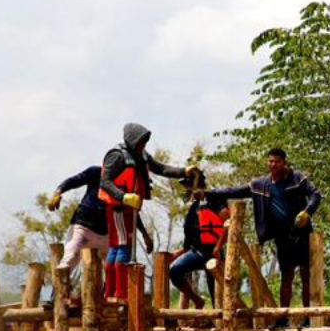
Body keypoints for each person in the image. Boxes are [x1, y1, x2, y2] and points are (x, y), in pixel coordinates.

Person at [207, 148, 322, 330]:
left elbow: (316, 194)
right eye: (270, 161)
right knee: (286, 276)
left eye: (277, 161)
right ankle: (283, 317)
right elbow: (235, 191)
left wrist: (307, 212)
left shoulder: (297, 178)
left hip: (301, 233)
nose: (273, 165)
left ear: (284, 163)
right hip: (282, 236)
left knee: (306, 275)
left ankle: (308, 317)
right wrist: (209, 193)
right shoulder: (261, 185)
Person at [99, 123, 200, 302]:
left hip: (130, 207)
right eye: (140, 142)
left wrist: (183, 171)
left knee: (118, 247)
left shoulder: (142, 155)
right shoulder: (116, 156)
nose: (143, 145)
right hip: (118, 207)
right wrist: (123, 197)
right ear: (132, 141)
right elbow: (105, 182)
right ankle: (119, 293)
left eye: (144, 142)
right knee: (122, 247)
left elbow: (161, 168)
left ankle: (114, 293)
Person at [48, 165, 153, 278]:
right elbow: (73, 181)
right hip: (82, 228)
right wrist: (57, 193)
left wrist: (144, 234)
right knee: (70, 258)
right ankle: (58, 288)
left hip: (105, 234)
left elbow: (132, 213)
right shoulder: (97, 172)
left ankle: (108, 289)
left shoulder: (127, 188)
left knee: (116, 266)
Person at [169, 173, 230, 309]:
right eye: (186, 186)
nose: (187, 189)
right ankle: (197, 300)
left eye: (189, 185)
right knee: (175, 271)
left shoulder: (215, 200)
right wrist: (178, 253)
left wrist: (218, 247)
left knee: (216, 294)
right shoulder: (193, 208)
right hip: (197, 253)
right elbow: (190, 241)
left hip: (214, 255)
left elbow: (228, 222)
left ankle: (220, 319)